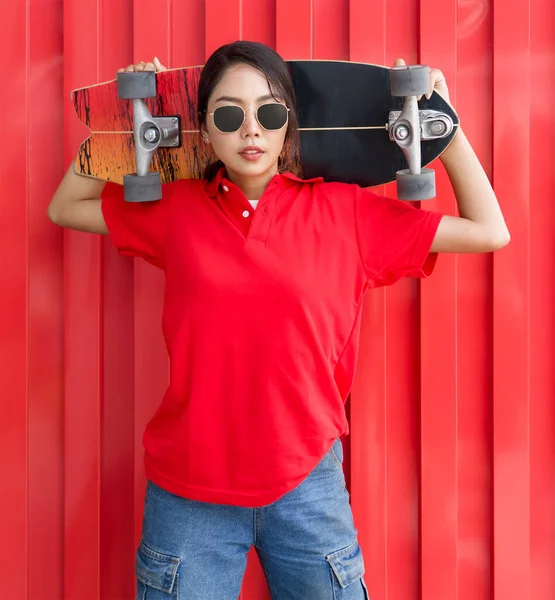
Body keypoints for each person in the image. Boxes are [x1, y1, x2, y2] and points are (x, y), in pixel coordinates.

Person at [48, 41, 509, 600]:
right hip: (190, 491)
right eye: (228, 115)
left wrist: (445, 121)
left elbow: (489, 230)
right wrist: (130, 120)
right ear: (205, 128)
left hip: (307, 485)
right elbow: (66, 205)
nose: (250, 131)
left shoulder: (347, 213)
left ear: (290, 124)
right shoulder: (176, 210)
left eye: (269, 113)